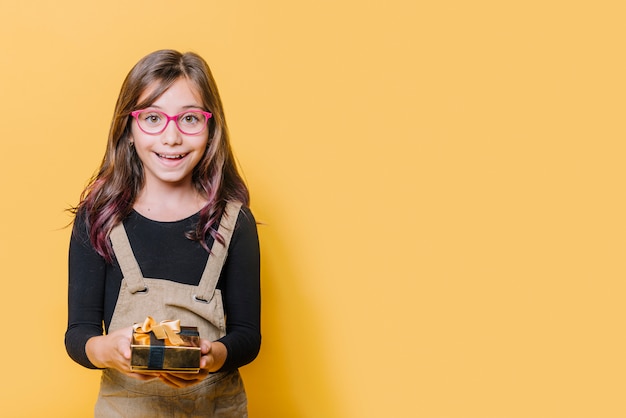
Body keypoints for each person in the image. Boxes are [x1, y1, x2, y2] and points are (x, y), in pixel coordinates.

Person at [65, 49, 261, 417]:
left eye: (189, 118)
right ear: (128, 129)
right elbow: (78, 334)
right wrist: (108, 350)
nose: (171, 137)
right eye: (153, 118)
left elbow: (248, 337)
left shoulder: (235, 223)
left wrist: (213, 354)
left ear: (211, 128)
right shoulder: (98, 219)